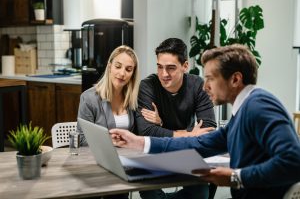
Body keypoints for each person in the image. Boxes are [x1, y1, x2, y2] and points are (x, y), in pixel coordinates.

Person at [110, 44, 300, 199]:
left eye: (211, 78)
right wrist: (138, 141)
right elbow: (199, 142)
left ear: (235, 79)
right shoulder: (243, 111)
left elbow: (293, 161)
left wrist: (235, 177)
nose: (205, 85)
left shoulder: (258, 105)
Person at [136, 38, 216, 199]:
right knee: (149, 192)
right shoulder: (148, 86)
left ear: (185, 66)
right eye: (160, 67)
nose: (164, 74)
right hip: (155, 154)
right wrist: (189, 134)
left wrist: (161, 126)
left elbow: (208, 129)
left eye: (171, 68)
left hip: (186, 153)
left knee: (201, 193)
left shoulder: (198, 85)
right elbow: (146, 131)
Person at [76, 45, 140, 199]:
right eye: (118, 66)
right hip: (96, 165)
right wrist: (110, 141)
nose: (122, 73)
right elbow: (81, 139)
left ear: (133, 74)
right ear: (110, 66)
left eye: (128, 69)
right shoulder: (89, 98)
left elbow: (139, 133)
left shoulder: (133, 100)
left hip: (124, 165)